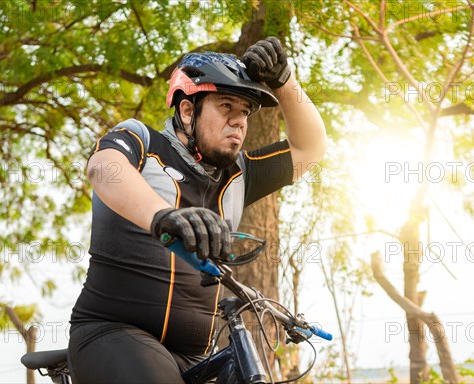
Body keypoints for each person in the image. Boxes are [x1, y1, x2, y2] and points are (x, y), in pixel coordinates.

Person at [67, 37, 327, 383]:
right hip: (112, 332)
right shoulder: (143, 141)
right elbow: (103, 168)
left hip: (196, 356)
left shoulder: (240, 174)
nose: (239, 122)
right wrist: (163, 215)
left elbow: (311, 148)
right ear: (188, 110)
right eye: (226, 106)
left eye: (245, 112)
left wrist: (285, 80)